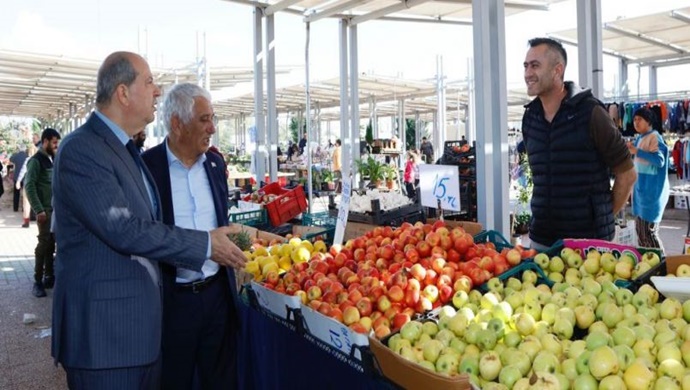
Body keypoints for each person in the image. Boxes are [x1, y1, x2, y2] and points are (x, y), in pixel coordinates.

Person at [51, 51, 247, 390]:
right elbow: (122, 228)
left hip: (137, 336)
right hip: (107, 342)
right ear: (123, 93)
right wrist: (204, 244)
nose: (158, 92)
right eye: (150, 82)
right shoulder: (83, 149)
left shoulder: (124, 150)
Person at [142, 83, 240, 390]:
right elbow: (146, 235)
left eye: (213, 118)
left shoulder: (215, 163)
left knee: (221, 381)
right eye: (203, 120)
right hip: (173, 302)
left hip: (217, 298)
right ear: (176, 124)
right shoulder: (147, 168)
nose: (212, 128)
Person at [521, 37, 636, 250]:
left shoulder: (591, 113)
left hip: (589, 244)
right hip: (542, 241)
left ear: (557, 70)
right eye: (526, 66)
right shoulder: (530, 118)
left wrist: (602, 215)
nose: (528, 73)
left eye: (535, 65)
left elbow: (627, 174)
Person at [24, 128, 61, 297]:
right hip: (44, 211)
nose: (56, 146)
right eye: (54, 142)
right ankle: (37, 282)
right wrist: (38, 209)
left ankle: (49, 276)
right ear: (45, 141)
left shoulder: (52, 159)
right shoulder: (36, 161)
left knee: (51, 244)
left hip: (55, 211)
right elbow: (29, 186)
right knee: (44, 244)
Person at [627, 107, 669, 252]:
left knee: (649, 233)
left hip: (652, 193)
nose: (636, 122)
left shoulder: (654, 137)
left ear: (649, 121)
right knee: (641, 232)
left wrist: (637, 151)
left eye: (639, 119)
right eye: (634, 119)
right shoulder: (640, 138)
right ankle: (651, 265)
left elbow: (659, 160)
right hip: (642, 193)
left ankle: (661, 264)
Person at [15, 144, 37, 228]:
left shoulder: (28, 160)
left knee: (26, 204)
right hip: (38, 185)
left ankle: (26, 222)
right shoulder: (41, 160)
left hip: (28, 184)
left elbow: (22, 172)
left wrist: (18, 181)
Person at [10, 147, 28, 212]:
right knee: (24, 194)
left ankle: (15, 208)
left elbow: (10, 159)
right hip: (25, 177)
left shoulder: (16, 156)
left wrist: (15, 153)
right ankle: (24, 208)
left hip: (16, 177)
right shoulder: (27, 156)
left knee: (16, 193)